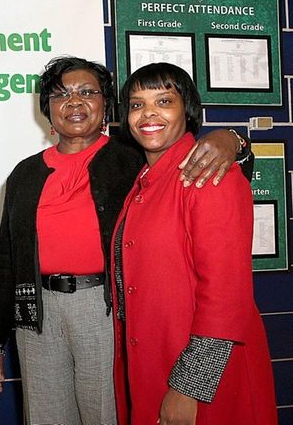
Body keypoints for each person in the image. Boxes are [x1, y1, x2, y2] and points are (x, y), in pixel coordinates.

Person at [0, 56, 252, 425]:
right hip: (36, 313)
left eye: (87, 93)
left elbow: (210, 169)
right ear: (48, 109)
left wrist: (232, 140)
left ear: (107, 105)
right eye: (61, 95)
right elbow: (8, 260)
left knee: (107, 414)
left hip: (106, 309)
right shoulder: (24, 174)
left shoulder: (134, 156)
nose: (74, 103)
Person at [112, 62, 277, 425]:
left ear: (186, 111)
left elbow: (226, 294)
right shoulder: (146, 178)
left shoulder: (211, 174)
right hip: (156, 360)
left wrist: (189, 388)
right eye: (137, 104)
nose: (148, 113)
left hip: (206, 378)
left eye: (163, 100)